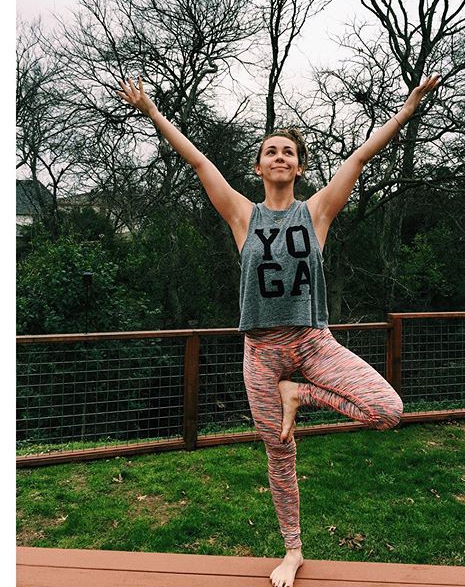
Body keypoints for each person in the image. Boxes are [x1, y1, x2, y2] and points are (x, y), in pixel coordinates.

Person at [117, 72, 441, 587]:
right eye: (271, 151)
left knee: (387, 410)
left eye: (288, 151)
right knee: (279, 453)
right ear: (259, 166)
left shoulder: (316, 213)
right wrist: (152, 112)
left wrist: (407, 108)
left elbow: (360, 157)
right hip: (262, 354)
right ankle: (292, 550)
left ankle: (299, 395)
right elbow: (198, 161)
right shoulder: (242, 216)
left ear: (300, 165)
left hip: (313, 343)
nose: (280, 156)